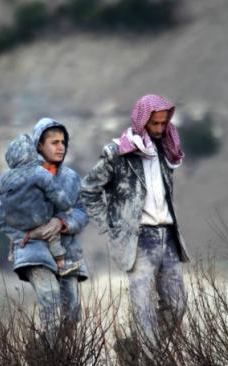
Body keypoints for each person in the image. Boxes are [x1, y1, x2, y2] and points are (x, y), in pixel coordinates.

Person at [81, 94, 190, 350]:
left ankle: (141, 351)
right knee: (143, 306)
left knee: (177, 305)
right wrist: (108, 227)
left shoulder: (167, 151)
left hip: (168, 235)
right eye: (155, 124)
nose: (161, 129)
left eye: (164, 124)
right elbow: (89, 189)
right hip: (139, 238)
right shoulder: (118, 152)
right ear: (142, 122)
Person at [0, 117, 89, 341]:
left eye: (63, 142)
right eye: (54, 142)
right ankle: (48, 364)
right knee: (51, 301)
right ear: (39, 146)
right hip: (34, 251)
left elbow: (82, 211)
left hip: (67, 251)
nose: (60, 147)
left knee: (72, 312)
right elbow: (2, 214)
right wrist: (26, 234)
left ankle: (60, 362)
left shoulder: (71, 178)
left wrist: (62, 223)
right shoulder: (22, 178)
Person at [0, 133, 81, 277]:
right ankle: (62, 264)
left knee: (5, 224)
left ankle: (13, 248)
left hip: (15, 221)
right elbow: (55, 193)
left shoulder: (6, 176)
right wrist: (66, 206)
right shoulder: (40, 172)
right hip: (38, 220)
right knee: (53, 236)